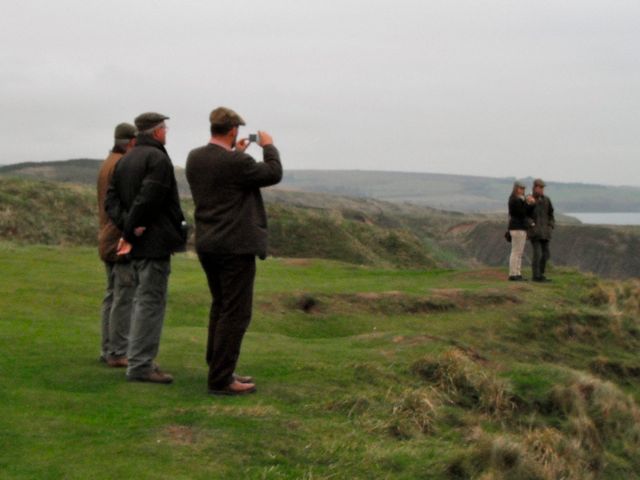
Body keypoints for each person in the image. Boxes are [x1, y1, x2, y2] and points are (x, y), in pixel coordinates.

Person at [186, 107, 282, 396]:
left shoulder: (195, 157)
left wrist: (236, 152)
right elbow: (273, 173)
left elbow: (226, 173)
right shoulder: (236, 162)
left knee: (221, 306)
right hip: (234, 246)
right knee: (236, 312)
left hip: (208, 243)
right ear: (232, 131)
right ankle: (220, 379)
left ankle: (219, 366)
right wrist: (268, 146)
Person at [104, 112, 187, 384]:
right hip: (153, 243)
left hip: (138, 243)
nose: (166, 132)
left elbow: (111, 201)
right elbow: (149, 197)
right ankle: (140, 365)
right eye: (164, 128)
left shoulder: (126, 159)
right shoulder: (158, 158)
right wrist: (132, 227)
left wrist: (127, 226)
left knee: (139, 301)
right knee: (150, 303)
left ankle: (138, 360)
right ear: (156, 132)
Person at [97, 122, 137, 367]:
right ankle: (118, 351)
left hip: (106, 236)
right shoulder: (121, 165)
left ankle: (108, 349)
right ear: (131, 142)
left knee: (112, 295)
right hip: (119, 237)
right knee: (124, 295)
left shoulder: (107, 162)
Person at [506, 181, 534, 281]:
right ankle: (513, 274)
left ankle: (517, 273)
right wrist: (528, 203)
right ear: (516, 188)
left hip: (519, 227)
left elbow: (525, 212)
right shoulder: (515, 200)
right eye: (520, 188)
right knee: (516, 252)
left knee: (519, 252)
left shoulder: (518, 199)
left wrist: (528, 203)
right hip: (517, 227)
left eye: (523, 189)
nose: (522, 191)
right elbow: (522, 213)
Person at [528, 178, 555, 282]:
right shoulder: (529, 199)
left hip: (545, 232)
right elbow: (525, 215)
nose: (542, 190)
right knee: (537, 254)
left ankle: (541, 274)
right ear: (535, 187)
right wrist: (531, 224)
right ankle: (536, 276)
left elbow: (551, 214)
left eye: (543, 188)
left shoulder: (546, 200)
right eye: (540, 187)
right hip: (535, 233)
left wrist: (551, 225)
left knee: (546, 255)